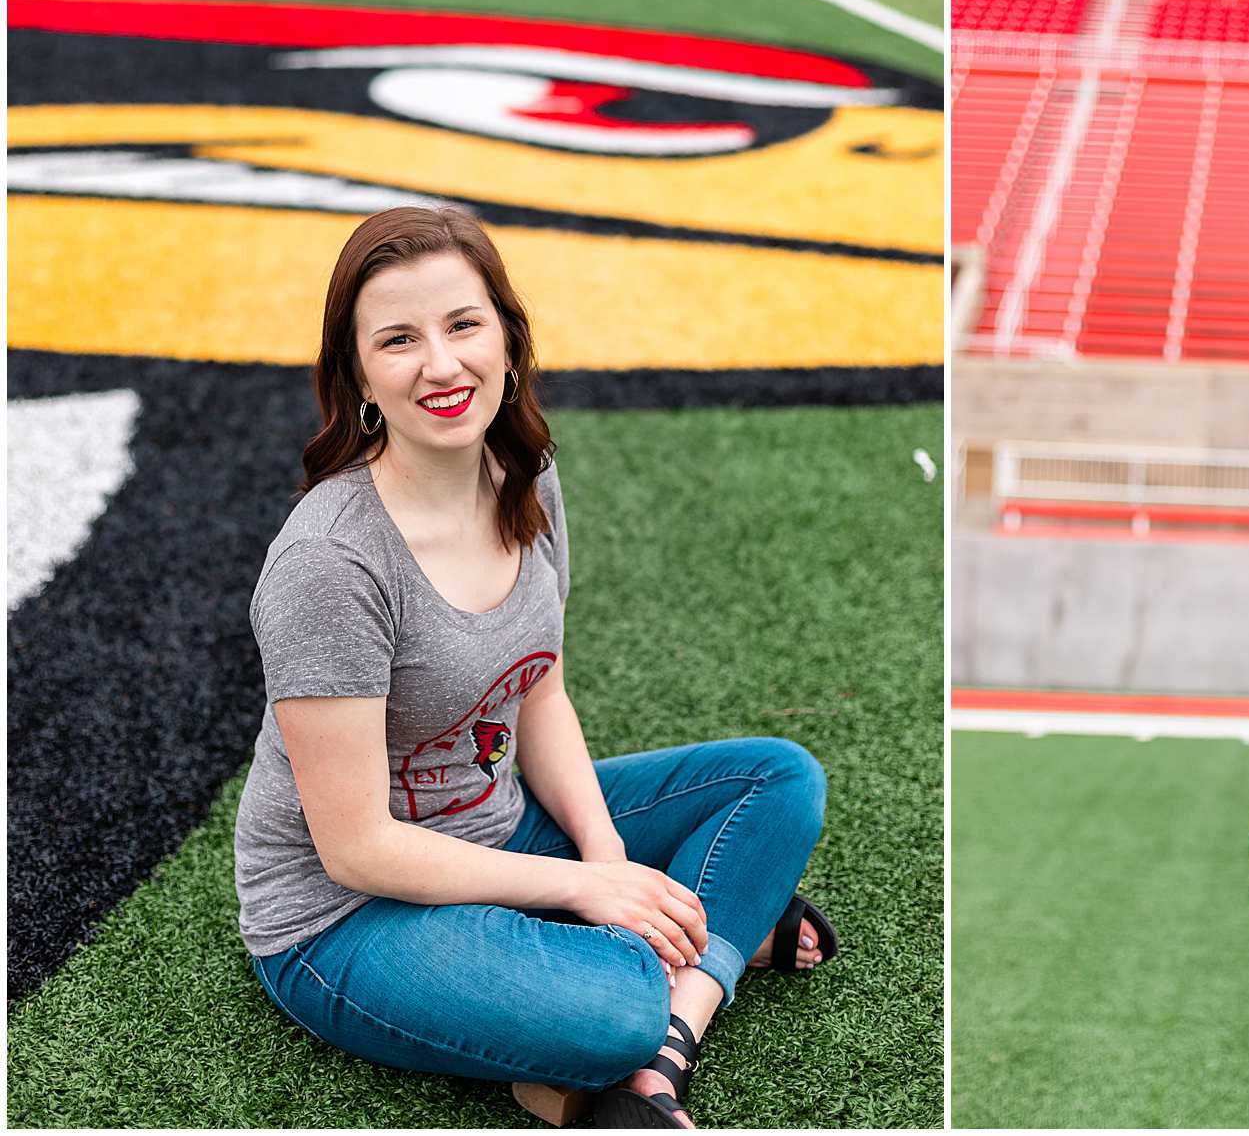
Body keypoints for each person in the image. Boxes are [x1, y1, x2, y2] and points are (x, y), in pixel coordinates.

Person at [233, 206, 837, 1130]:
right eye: (399, 339)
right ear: (357, 376)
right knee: (612, 1008)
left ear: (508, 343)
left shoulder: (525, 472)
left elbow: (539, 688)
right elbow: (355, 846)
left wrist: (605, 859)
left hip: (501, 827)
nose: (441, 364)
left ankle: (661, 1048)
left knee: (778, 779)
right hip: (346, 913)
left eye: (463, 325)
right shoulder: (329, 563)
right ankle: (691, 960)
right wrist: (584, 888)